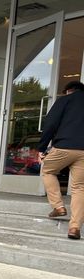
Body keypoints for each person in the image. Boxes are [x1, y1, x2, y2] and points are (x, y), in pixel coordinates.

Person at [38, 80, 84, 240]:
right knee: (79, 187)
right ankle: (74, 228)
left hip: (64, 146)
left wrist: (42, 148)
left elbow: (50, 124)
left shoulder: (65, 100)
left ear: (68, 91)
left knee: (48, 170)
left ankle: (58, 206)